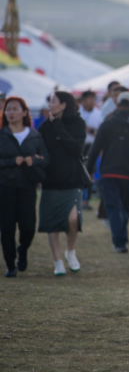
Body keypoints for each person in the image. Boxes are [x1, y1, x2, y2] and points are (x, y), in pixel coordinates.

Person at [87, 92, 129, 253]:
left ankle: (120, 242)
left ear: (118, 105)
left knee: (113, 208)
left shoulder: (107, 124)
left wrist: (89, 169)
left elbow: (95, 149)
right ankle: (121, 239)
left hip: (109, 173)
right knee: (125, 207)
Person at [38, 92, 87, 276]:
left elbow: (76, 149)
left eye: (53, 102)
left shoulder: (78, 124)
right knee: (52, 223)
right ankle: (57, 261)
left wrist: (58, 126)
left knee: (73, 219)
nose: (50, 105)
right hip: (50, 181)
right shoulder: (44, 127)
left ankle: (70, 251)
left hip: (72, 179)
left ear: (64, 105)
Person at [0, 97, 49, 277]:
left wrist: (33, 160)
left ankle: (23, 250)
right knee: (7, 228)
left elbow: (46, 160)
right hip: (5, 186)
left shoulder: (35, 136)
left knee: (28, 227)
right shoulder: (2, 134)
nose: (11, 112)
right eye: (8, 109)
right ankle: (10, 265)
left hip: (28, 187)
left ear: (24, 112)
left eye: (15, 109)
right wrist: (12, 161)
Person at [79, 90, 102, 210]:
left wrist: (91, 130)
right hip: (78, 145)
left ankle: (85, 200)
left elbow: (101, 133)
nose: (92, 101)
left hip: (91, 145)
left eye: (93, 99)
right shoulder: (77, 112)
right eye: (90, 99)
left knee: (89, 173)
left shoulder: (98, 114)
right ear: (83, 100)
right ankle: (78, 198)